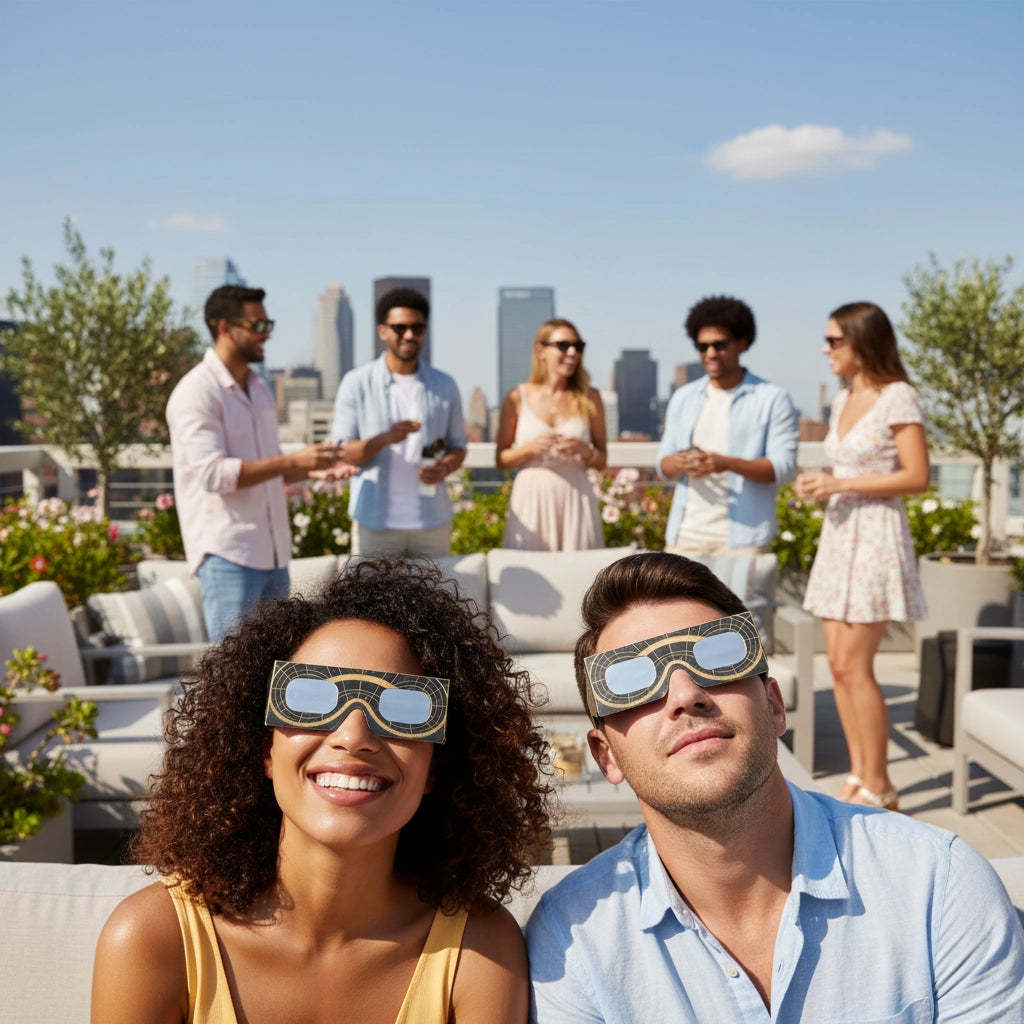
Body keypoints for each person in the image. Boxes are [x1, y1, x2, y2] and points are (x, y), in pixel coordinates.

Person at [526, 551, 1024, 1023]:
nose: (685, 694)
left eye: (717, 656)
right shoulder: (572, 943)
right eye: (632, 681)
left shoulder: (938, 887)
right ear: (605, 755)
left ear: (775, 706)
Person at [93, 556, 553, 1024]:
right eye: (311, 698)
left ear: (437, 765)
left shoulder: (480, 951)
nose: (353, 736)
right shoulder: (154, 939)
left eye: (403, 707)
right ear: (263, 750)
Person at [795, 302, 930, 810]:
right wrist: (827, 489)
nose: (825, 349)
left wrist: (840, 482)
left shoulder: (899, 397)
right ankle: (860, 772)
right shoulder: (844, 397)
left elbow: (917, 476)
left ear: (861, 341)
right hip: (840, 534)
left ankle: (882, 783)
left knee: (857, 665)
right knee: (837, 664)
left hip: (873, 537)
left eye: (834, 340)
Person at [166, 285, 343, 641]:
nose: (266, 334)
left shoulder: (260, 388)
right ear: (224, 328)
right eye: (257, 325)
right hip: (228, 556)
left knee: (274, 672)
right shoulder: (196, 392)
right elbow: (215, 475)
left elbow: (268, 469)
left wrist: (311, 470)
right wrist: (291, 460)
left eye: (268, 324)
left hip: (274, 556)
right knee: (232, 678)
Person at [330, 288, 467, 557]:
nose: (409, 335)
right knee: (370, 599)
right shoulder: (356, 383)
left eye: (417, 328)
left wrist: (444, 468)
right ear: (382, 331)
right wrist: (386, 438)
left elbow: (458, 446)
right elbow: (342, 452)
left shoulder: (445, 385)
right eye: (400, 327)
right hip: (375, 523)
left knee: (436, 599)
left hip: (432, 523)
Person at [658, 296, 799, 556]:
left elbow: (784, 468)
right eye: (702, 347)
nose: (710, 354)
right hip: (686, 537)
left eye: (719, 345)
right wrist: (679, 463)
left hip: (745, 541)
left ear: (742, 344)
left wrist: (727, 463)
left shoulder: (772, 398)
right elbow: (662, 464)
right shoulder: (684, 397)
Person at [496, 318, 606, 550]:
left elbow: (603, 460)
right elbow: (501, 460)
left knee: (580, 575)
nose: (573, 352)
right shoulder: (516, 397)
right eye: (564, 345)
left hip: (576, 497)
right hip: (530, 498)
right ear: (541, 351)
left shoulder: (591, 397)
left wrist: (585, 451)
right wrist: (531, 448)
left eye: (578, 346)